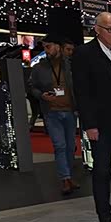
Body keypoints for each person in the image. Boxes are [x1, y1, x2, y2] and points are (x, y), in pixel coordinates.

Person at [72, 11, 111, 222]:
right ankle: (104, 218)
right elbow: (82, 92)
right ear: (97, 29)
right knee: (102, 171)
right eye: (110, 29)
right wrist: (90, 124)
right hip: (101, 125)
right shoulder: (84, 54)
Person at [29, 34, 78, 194]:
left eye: (48, 46)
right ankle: (65, 178)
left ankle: (69, 176)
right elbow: (32, 87)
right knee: (60, 146)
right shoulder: (39, 68)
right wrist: (41, 95)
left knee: (70, 147)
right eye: (44, 47)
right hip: (51, 112)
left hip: (70, 111)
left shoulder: (70, 65)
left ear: (58, 46)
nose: (46, 50)